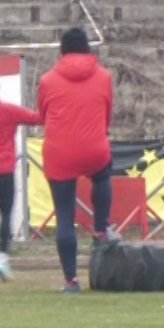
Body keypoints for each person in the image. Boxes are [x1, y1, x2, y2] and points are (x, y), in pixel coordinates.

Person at [37, 28, 116, 294]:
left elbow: (42, 115)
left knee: (64, 216)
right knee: (102, 174)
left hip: (59, 152)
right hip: (94, 146)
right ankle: (101, 228)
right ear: (87, 49)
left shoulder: (47, 80)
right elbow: (107, 113)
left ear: (62, 50)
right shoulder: (104, 77)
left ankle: (71, 280)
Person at [0, 74, 41, 281]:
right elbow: (36, 118)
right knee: (5, 215)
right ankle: (2, 257)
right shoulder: (8, 110)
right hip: (3, 169)